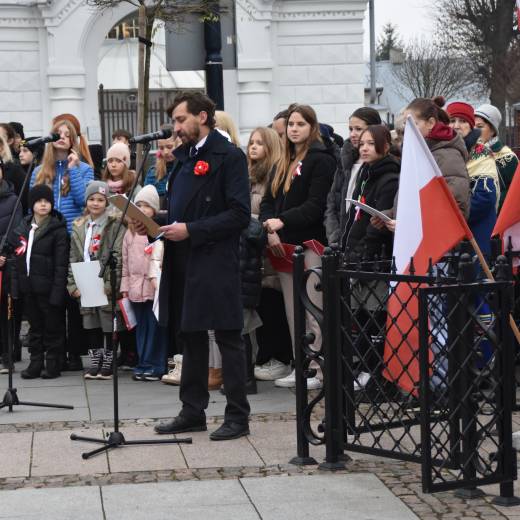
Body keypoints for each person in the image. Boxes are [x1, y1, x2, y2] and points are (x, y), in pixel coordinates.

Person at [150, 91, 251, 441]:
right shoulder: (184, 158)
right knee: (189, 335)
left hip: (215, 258)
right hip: (184, 258)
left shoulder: (229, 156)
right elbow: (183, 209)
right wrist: (156, 221)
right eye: (174, 121)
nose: (176, 128)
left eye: (181, 120)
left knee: (227, 336)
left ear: (202, 117)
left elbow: (239, 214)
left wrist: (191, 230)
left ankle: (237, 415)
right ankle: (192, 410)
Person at [259, 104, 336, 389]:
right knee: (293, 311)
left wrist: (282, 221)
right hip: (283, 244)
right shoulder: (282, 161)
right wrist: (270, 229)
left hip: (310, 243)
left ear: (312, 127)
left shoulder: (321, 160)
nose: (293, 129)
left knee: (314, 309)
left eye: (300, 124)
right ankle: (301, 364)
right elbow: (268, 201)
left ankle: (318, 368)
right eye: (291, 124)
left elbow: (316, 205)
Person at [344, 125, 400, 392]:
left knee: (375, 316)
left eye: (370, 143)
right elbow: (355, 214)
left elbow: (377, 222)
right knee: (361, 317)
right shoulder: (366, 172)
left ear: (385, 146)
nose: (364, 148)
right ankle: (365, 367)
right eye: (362, 143)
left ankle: (376, 372)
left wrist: (363, 254)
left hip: (375, 257)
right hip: (358, 252)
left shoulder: (389, 176)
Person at [244, 127, 292, 382]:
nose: (253, 147)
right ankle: (264, 356)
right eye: (251, 142)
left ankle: (278, 358)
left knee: (273, 306)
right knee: (260, 306)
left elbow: (267, 211)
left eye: (260, 143)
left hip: (268, 249)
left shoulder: (273, 177)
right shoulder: (248, 176)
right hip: (251, 252)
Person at [67, 181, 125, 380]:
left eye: (100, 200)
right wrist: (72, 284)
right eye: (92, 199)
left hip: (105, 280)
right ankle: (95, 361)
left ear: (106, 202)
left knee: (108, 322)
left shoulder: (114, 225)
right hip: (85, 280)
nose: (95, 203)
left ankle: (108, 362)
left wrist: (110, 284)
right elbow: (73, 257)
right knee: (91, 322)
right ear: (86, 201)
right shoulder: (79, 226)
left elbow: (118, 255)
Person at [11, 185, 68, 379]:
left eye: (47, 201)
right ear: (31, 204)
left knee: (52, 327)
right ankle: (35, 362)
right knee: (35, 328)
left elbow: (61, 264)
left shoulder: (58, 230)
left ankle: (53, 363)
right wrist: (18, 286)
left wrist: (57, 292)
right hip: (29, 288)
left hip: (49, 288)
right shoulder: (24, 228)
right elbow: (18, 259)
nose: (43, 204)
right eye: (38, 201)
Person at [120, 185, 167, 381]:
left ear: (155, 210)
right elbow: (125, 264)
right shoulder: (129, 233)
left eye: (147, 206)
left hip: (153, 289)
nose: (142, 209)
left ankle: (156, 365)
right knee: (141, 329)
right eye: (138, 205)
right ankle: (143, 363)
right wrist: (125, 288)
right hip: (135, 290)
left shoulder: (158, 232)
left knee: (155, 328)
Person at [324, 107, 382, 248]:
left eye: (358, 129)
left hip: (362, 244)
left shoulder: (377, 163)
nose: (353, 134)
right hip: (341, 241)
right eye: (351, 129)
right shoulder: (345, 161)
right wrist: (334, 236)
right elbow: (332, 202)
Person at [447, 101, 499, 257]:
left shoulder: (481, 153)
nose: (456, 126)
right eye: (452, 120)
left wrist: (452, 217)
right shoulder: (442, 151)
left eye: (462, 121)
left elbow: (485, 198)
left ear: (471, 126)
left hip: (475, 235)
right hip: (447, 237)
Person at [474, 103, 519, 212]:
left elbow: (515, 193)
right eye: (473, 126)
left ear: (493, 130)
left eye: (480, 127)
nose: (475, 130)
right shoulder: (468, 154)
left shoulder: (507, 158)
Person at [0, 161, 22, 374]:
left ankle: (7, 356)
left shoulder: (13, 200)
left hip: (5, 262)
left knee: (6, 312)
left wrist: (3, 254)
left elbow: (15, 231)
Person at [144, 125, 179, 207]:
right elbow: (146, 199)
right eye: (161, 148)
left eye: (169, 147)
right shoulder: (153, 172)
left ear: (178, 144)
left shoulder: (185, 168)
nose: (165, 152)